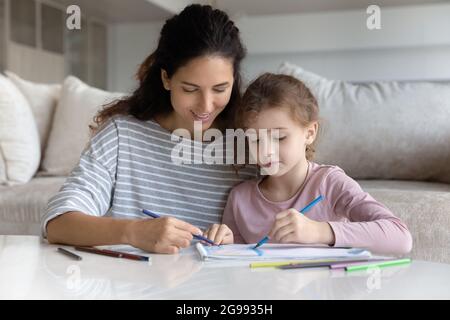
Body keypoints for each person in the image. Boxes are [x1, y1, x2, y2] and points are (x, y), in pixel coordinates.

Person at [43, 4, 256, 254]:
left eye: (220, 89)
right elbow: (58, 223)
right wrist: (133, 232)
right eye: (190, 89)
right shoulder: (122, 135)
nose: (206, 105)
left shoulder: (252, 142)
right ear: (166, 78)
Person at [204, 73, 412, 255]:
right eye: (256, 139)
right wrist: (227, 246)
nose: (266, 150)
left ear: (310, 133)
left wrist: (318, 231)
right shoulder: (240, 198)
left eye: (279, 137)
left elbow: (401, 237)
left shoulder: (329, 183)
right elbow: (237, 270)